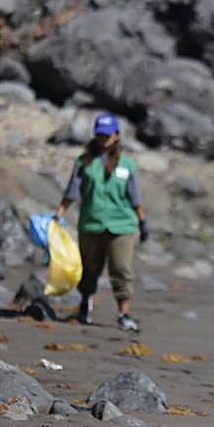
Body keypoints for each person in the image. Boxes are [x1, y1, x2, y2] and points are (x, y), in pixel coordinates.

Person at [56, 112, 148, 332]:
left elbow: (135, 197)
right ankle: (84, 307)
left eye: (108, 135)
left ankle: (124, 313)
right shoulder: (84, 162)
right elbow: (72, 191)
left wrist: (142, 222)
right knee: (89, 268)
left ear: (116, 135)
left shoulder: (126, 165)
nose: (104, 138)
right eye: (100, 134)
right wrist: (59, 213)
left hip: (121, 225)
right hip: (91, 223)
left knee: (121, 268)